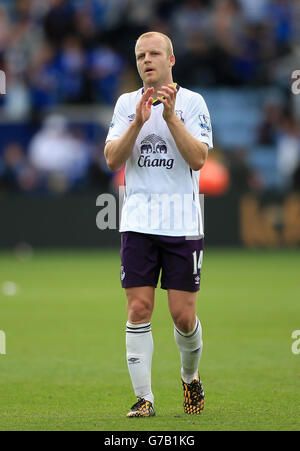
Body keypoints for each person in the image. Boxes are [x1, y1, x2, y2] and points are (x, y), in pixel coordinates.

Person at [104, 31, 213, 417]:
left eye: (154, 54)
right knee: (138, 308)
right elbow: (113, 159)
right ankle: (144, 398)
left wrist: (169, 118)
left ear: (171, 60)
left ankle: (190, 376)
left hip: (182, 221)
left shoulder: (192, 103)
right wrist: (137, 123)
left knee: (183, 317)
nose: (146, 60)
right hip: (137, 222)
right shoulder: (125, 104)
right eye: (140, 55)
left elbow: (198, 159)